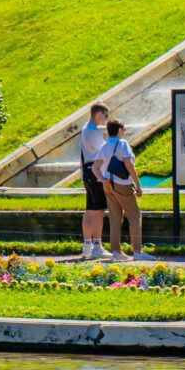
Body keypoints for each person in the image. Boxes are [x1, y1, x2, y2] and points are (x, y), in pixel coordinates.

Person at [98, 119, 144, 257]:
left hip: (108, 184)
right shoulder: (122, 143)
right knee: (135, 216)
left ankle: (116, 252)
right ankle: (137, 251)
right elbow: (129, 165)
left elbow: (96, 166)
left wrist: (103, 179)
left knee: (115, 217)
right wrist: (138, 186)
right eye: (123, 129)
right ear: (119, 130)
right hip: (122, 184)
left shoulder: (104, 145)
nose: (124, 132)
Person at [75, 102, 113, 258]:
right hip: (95, 172)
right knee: (98, 211)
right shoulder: (93, 131)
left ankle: (88, 246)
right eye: (105, 116)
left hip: (87, 172)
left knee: (90, 210)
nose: (105, 120)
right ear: (99, 114)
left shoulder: (85, 129)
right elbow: (104, 150)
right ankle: (97, 245)